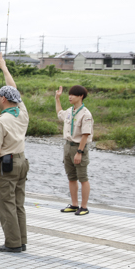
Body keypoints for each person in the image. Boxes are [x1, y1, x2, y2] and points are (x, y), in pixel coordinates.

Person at [0, 52, 30, 253]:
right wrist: (3, 68)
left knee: (6, 204)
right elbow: (14, 89)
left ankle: (12, 243)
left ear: (3, 99)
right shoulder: (22, 112)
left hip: (7, 164)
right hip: (22, 161)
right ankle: (21, 240)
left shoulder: (0, 121)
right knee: (18, 203)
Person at [55, 85, 93, 216]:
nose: (70, 97)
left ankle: (84, 207)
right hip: (67, 146)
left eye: (73, 95)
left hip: (78, 147)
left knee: (83, 177)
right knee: (71, 177)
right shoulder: (70, 111)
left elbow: (85, 134)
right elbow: (60, 114)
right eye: (69, 94)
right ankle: (74, 204)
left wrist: (80, 152)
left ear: (81, 96)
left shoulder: (86, 114)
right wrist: (57, 98)